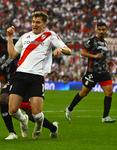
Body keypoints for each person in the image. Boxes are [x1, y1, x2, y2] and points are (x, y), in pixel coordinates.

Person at [0, 30, 60, 140]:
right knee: (3, 100)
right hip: (13, 81)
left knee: (32, 115)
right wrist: (3, 94)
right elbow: (3, 81)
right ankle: (12, 133)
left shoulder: (14, 44)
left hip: (27, 77)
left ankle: (53, 128)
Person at [7, 11, 72, 140]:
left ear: (44, 24)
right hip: (20, 74)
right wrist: (9, 37)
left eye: (38, 22)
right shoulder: (25, 36)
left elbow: (69, 50)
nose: (34, 25)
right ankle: (24, 119)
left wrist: (61, 50)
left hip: (36, 77)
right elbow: (12, 54)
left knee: (37, 114)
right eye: (33, 22)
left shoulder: (50, 35)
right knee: (12, 110)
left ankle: (42, 124)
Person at [65, 22, 116, 123]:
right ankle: (70, 108)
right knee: (83, 93)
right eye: (100, 29)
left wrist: (107, 62)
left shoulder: (105, 43)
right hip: (92, 72)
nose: (102, 31)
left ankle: (105, 117)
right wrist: (94, 56)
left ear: (106, 30)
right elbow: (83, 52)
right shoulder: (92, 41)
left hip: (103, 72)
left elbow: (101, 56)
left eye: (103, 30)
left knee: (109, 92)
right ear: (97, 30)